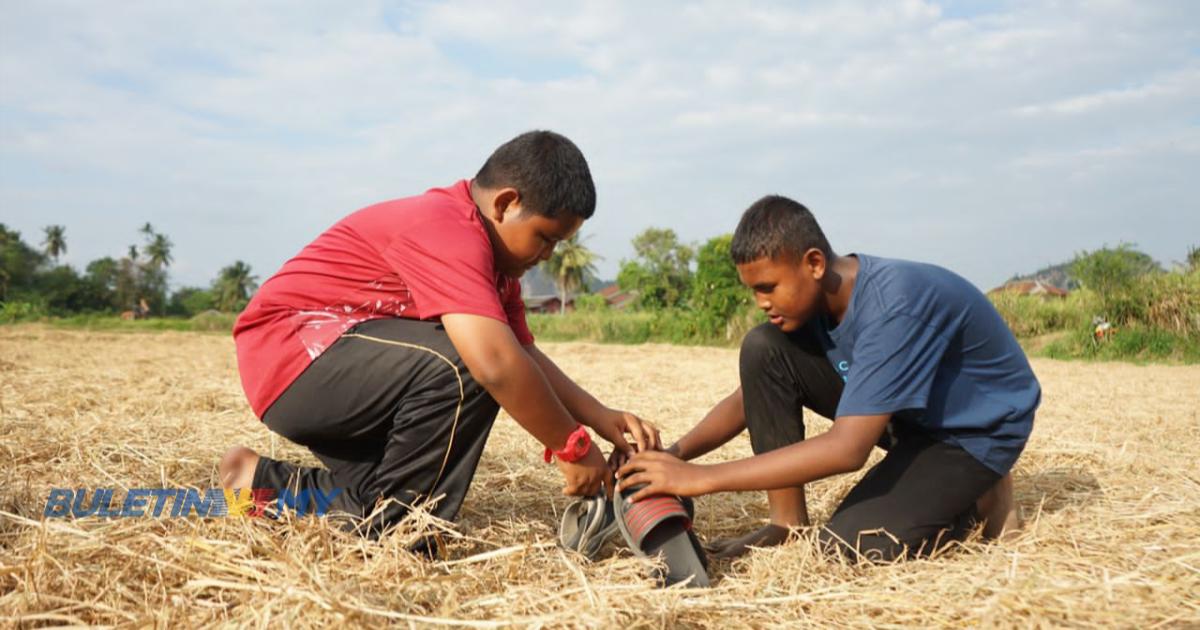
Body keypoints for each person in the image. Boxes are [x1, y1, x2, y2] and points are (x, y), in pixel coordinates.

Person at [220, 130, 660, 541]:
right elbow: (495, 363)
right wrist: (572, 446)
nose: (547, 255)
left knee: (379, 496)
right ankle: (397, 528)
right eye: (545, 237)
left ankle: (257, 484)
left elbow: (524, 354)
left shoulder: (497, 266)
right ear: (505, 203)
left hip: (340, 368)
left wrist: (602, 417)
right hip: (294, 357)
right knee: (466, 360)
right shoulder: (448, 227)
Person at [617, 195, 1037, 562]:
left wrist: (702, 480)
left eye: (768, 287)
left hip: (969, 433)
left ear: (814, 263)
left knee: (851, 546)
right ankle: (786, 525)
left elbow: (847, 449)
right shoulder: (812, 305)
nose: (761, 302)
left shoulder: (892, 305)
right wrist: (676, 455)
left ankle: (979, 490)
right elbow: (752, 397)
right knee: (763, 347)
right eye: (754, 291)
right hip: (909, 415)